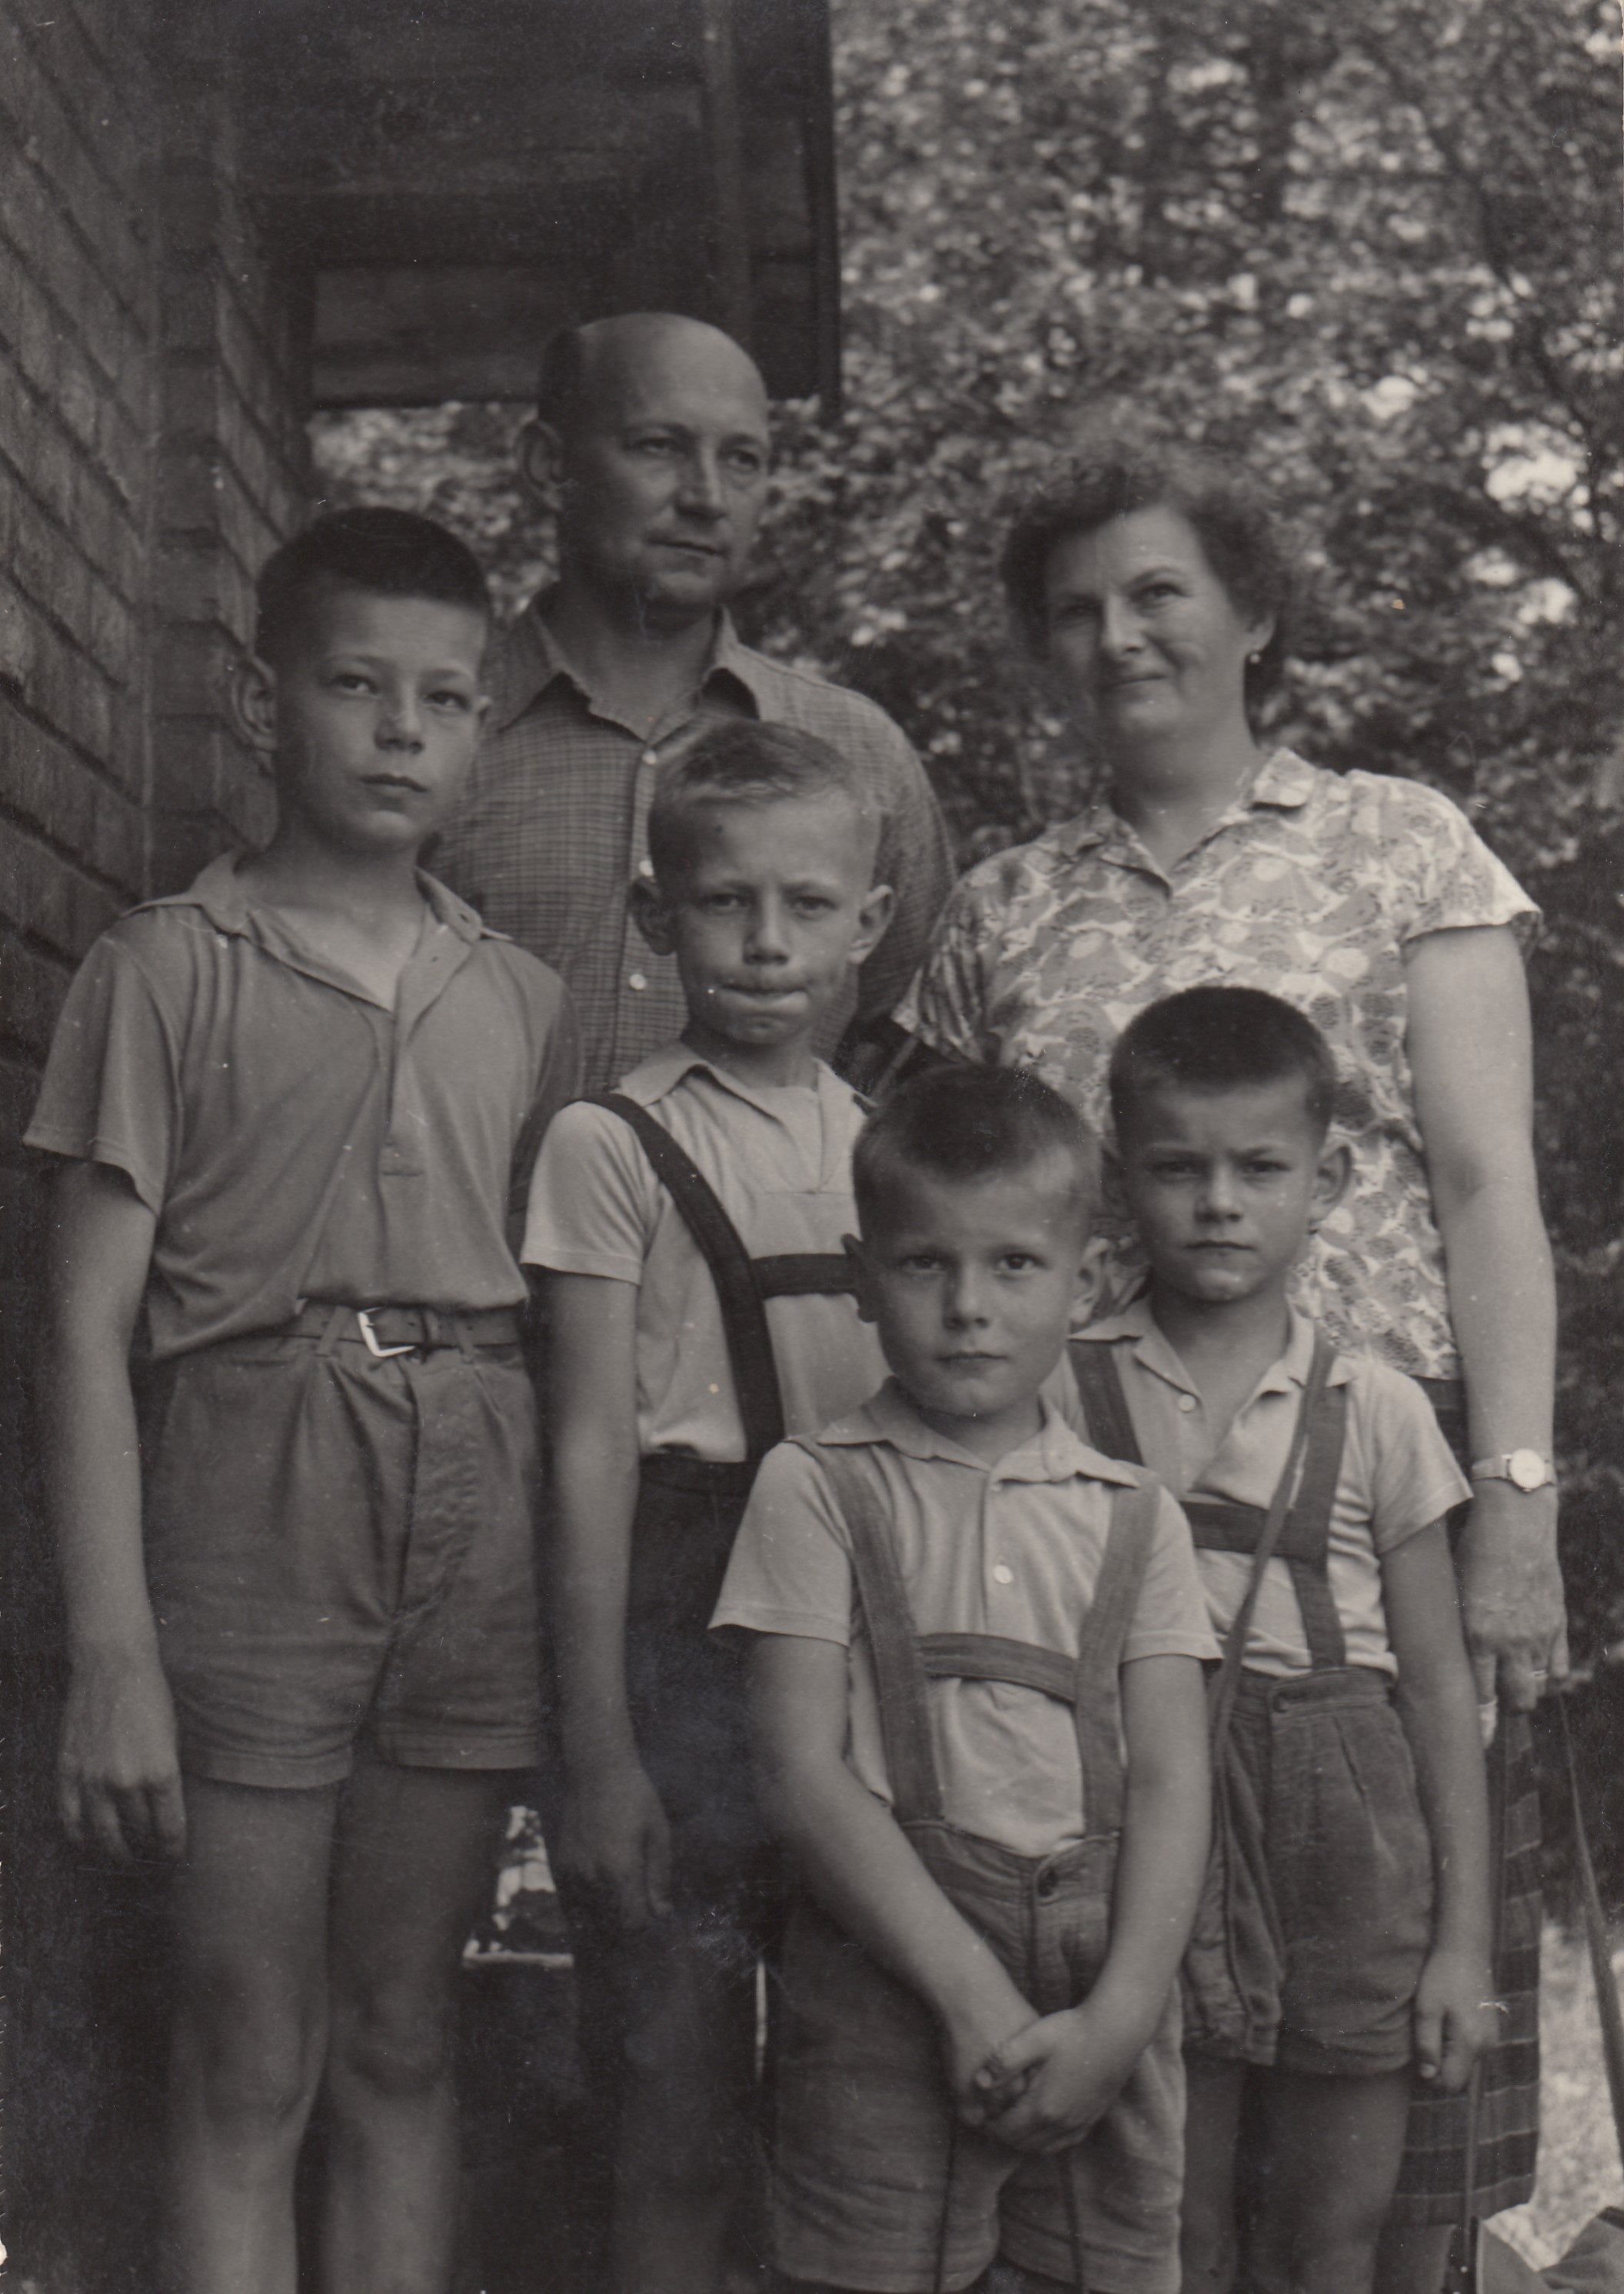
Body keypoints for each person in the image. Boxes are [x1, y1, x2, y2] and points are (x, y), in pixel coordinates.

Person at [897, 441, 1561, 2286]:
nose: (1117, 636)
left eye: (1157, 593)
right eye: (1075, 611)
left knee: (1382, 2067)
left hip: (1367, 1511)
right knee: (1139, 2064)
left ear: (1253, 613)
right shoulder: (1001, 909)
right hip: (1085, 1509)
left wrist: (1514, 1494)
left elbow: (1488, 1186)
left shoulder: (1398, 843)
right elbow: (947, 1211)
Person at [28, 508, 581, 2294]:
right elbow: (83, 1332)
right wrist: (113, 1652)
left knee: (403, 2031)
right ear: (269, 705)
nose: (403, 730)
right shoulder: (165, 965)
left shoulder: (522, 996)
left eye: (446, 697)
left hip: (472, 1478)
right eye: (357, 685)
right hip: (253, 1483)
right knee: (248, 2047)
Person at [715, 1064, 1216, 2294]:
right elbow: (797, 1767)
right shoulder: (816, 1484)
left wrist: (1120, 2020)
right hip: (890, 1972)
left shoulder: (1134, 1513)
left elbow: (1173, 1779)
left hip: (1101, 1992)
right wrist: (968, 1995)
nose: (969, 1307)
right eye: (925, 1263)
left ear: (1087, 1281)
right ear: (861, 1274)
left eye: (1014, 1265)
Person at [523, 720, 897, 2294]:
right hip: (677, 1627)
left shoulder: (886, 1148)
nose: (766, 941)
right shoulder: (610, 1140)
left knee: (849, 2095)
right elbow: (586, 1452)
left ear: (870, 921)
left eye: (808, 905)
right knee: (672, 2093)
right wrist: (599, 1749)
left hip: (850, 1636)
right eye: (726, 900)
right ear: (653, 912)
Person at [1069, 987, 1492, 2294]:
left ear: (1331, 1180)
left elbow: (1438, 1693)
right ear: (1117, 1176)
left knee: (1327, 2237)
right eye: (1177, 1168)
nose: (1218, 1203)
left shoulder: (1376, 1407)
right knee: (1172, 2226)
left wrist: (1461, 1943)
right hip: (1150, 1824)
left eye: (1259, 1168)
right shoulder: (1064, 1387)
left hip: (1349, 1848)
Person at [431, 309, 956, 1094]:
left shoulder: (857, 751)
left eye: (742, 459)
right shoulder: (431, 738)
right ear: (549, 465)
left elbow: (920, 1054)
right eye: (659, 446)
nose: (708, 497)